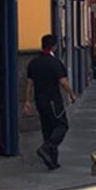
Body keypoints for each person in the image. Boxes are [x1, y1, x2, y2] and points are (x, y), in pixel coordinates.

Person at [24, 34, 77, 170]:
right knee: (61, 126)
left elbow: (29, 84)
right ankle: (47, 148)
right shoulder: (54, 62)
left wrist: (27, 101)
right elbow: (63, 81)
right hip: (53, 100)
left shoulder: (33, 63)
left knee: (47, 129)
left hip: (39, 100)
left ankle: (52, 161)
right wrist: (71, 94)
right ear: (54, 46)